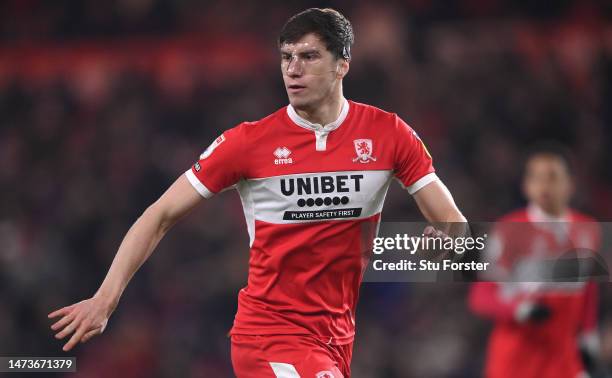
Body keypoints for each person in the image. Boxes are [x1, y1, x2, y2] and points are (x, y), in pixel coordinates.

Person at [48, 8, 466, 377]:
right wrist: (106, 298)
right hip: (268, 334)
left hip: (336, 340)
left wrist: (440, 245)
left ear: (342, 65)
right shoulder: (249, 142)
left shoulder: (388, 135)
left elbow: (455, 226)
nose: (292, 69)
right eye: (286, 58)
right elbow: (159, 215)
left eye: (308, 56)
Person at [468, 144, 602, 378]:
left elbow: (587, 286)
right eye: (536, 177)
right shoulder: (509, 230)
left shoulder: (588, 229)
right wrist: (519, 309)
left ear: (570, 183)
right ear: (526, 185)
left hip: (564, 362)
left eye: (552, 177)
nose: (544, 186)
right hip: (516, 362)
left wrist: (588, 336)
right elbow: (481, 296)